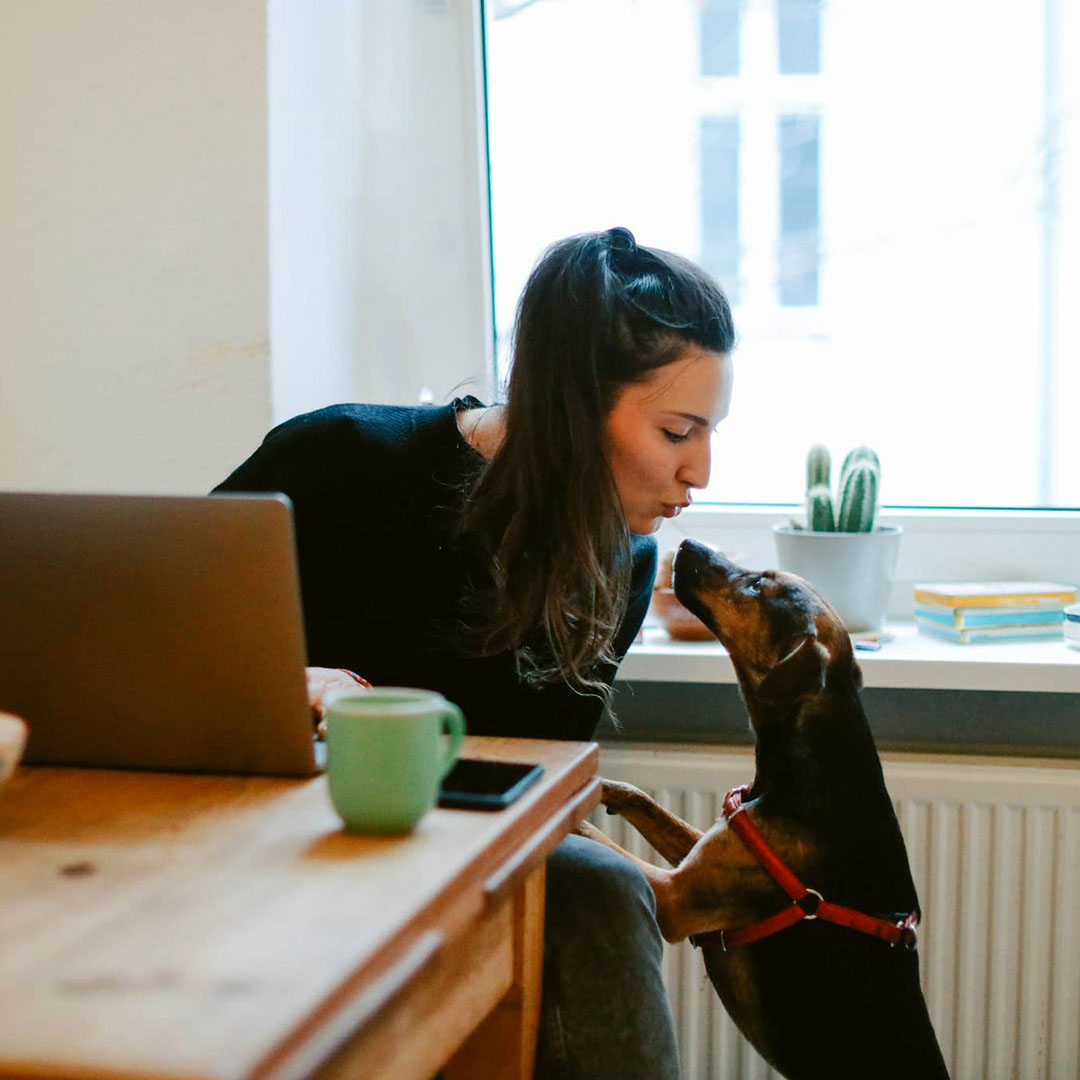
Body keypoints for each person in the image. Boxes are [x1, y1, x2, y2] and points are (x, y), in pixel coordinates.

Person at [213, 225, 735, 1079]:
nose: (702, 472)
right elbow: (165, 629)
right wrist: (290, 679)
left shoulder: (621, 561)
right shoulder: (338, 457)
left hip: (451, 862)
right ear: (576, 402)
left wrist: (663, 888)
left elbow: (530, 789)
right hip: (262, 836)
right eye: (679, 432)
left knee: (600, 891)